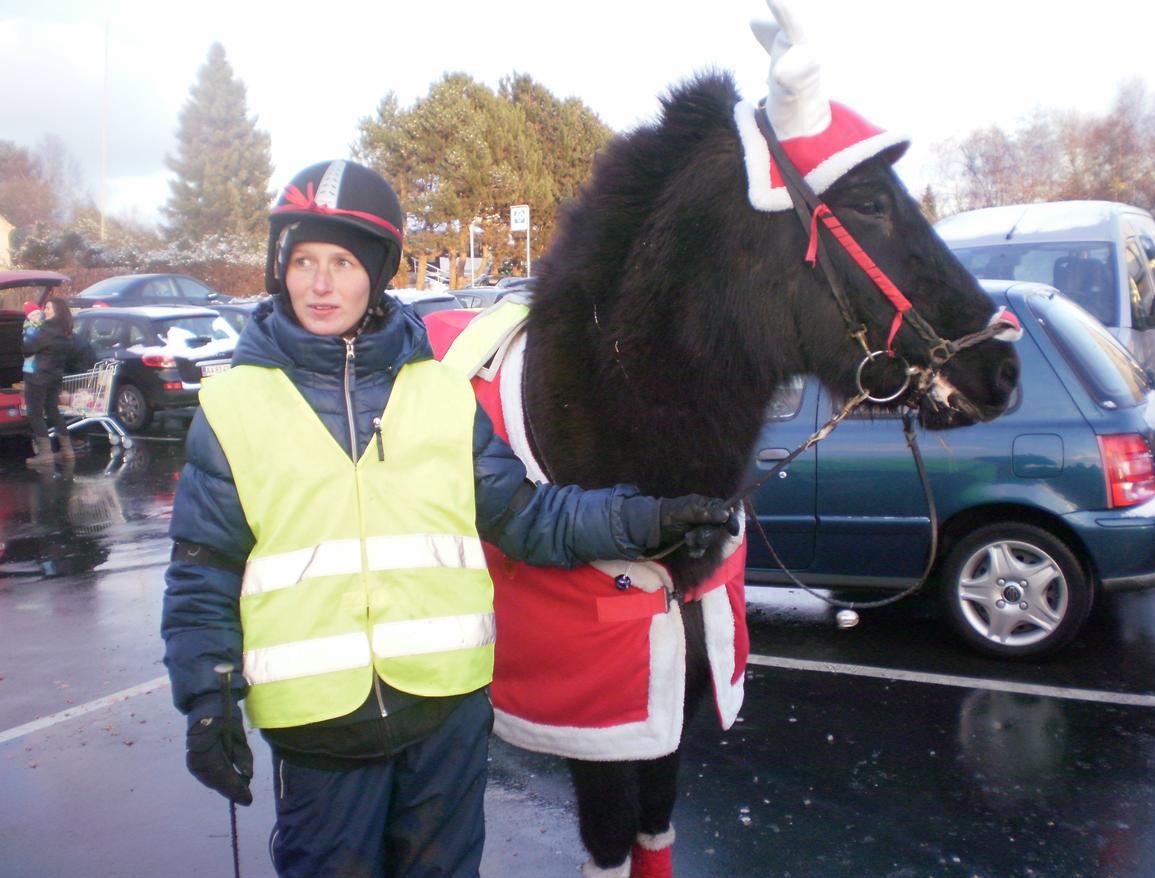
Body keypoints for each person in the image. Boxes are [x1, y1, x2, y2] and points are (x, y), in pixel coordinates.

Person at [161, 159, 735, 878]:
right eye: (303, 260)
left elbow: (528, 517)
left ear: (375, 271)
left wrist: (647, 521)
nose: (320, 283)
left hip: (446, 724)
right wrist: (206, 700)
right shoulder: (233, 406)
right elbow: (202, 573)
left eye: (342, 261)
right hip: (319, 735)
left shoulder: (437, 390)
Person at [21, 298, 77, 466]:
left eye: (48, 308)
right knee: (53, 412)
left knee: (35, 414)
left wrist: (30, 331)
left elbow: (27, 348)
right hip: (54, 377)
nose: (45, 311)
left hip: (37, 377)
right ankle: (67, 451)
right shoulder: (65, 332)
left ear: (57, 311)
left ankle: (45, 454)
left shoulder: (45, 329)